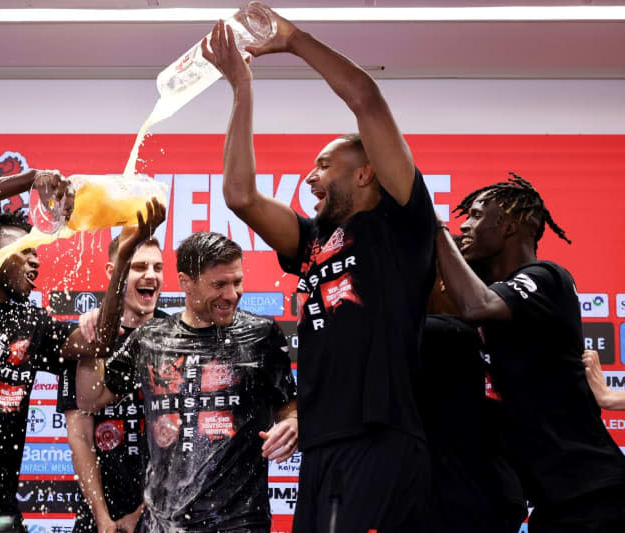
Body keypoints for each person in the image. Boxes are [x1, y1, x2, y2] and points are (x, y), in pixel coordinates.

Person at [202, 5, 436, 531]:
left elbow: (367, 99)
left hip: (380, 436)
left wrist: (294, 40)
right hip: (325, 440)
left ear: (366, 175)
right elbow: (239, 195)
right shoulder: (313, 241)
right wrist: (242, 89)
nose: (310, 177)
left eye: (324, 164)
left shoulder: (401, 221)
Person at [0, 167, 165, 532]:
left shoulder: (32, 324)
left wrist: (124, 258)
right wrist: (29, 180)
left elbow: (99, 341)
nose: (37, 259)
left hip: (1, 517)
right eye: (25, 250)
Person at [435, 173, 625, 532]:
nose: (466, 224)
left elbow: (477, 305)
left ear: (509, 226)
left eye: (477, 215)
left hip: (597, 496)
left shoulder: (546, 277)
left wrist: (437, 230)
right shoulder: (493, 303)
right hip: (552, 503)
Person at [78, 231, 298, 533]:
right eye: (219, 284)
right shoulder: (151, 339)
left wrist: (293, 424)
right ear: (185, 282)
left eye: (237, 282)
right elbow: (91, 399)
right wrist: (94, 340)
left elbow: (289, 409)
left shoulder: (262, 336)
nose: (232, 294)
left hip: (240, 523)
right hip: (162, 525)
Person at [58, 234, 166, 533]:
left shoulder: (176, 337)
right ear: (113, 271)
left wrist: (142, 514)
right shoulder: (85, 339)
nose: (151, 275)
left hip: (163, 513)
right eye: (139, 266)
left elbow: (185, 442)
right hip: (98, 517)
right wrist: (102, 518)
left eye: (158, 267)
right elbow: (80, 437)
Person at [416, 258, 525, 533]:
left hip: (460, 502)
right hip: (494, 494)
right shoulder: (493, 341)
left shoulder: (441, 334)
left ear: (444, 284)